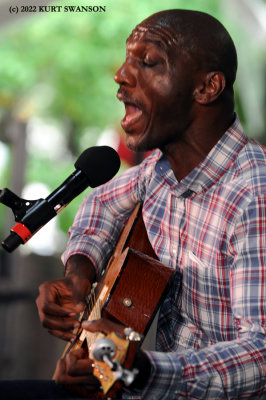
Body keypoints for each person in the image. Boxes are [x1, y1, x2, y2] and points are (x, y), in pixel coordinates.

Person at [34, 8, 265, 399]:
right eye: (127, 60)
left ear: (207, 88)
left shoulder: (253, 195)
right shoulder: (157, 173)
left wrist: (141, 370)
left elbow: (260, 354)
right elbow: (100, 207)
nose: (121, 75)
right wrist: (80, 270)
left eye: (148, 62)